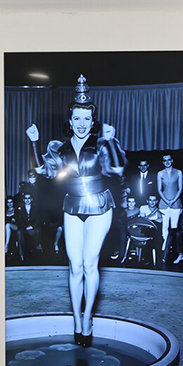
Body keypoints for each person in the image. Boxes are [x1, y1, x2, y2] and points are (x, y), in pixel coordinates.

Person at [26, 74, 125, 347]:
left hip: (100, 206)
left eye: (87, 118)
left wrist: (111, 141)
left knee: (90, 263)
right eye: (77, 118)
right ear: (70, 121)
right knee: (75, 266)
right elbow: (43, 171)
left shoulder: (102, 143)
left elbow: (117, 168)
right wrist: (34, 142)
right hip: (72, 206)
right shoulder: (59, 148)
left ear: (93, 122)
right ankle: (77, 320)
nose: (82, 123)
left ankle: (88, 316)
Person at [157, 153, 183, 262]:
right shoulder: (160, 173)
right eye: (165, 160)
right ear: (163, 162)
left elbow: (180, 189)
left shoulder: (178, 172)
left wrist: (173, 200)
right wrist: (167, 201)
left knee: (174, 228)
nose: (167, 162)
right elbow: (159, 189)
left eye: (169, 160)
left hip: (175, 203)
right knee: (164, 227)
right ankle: (165, 250)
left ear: (172, 161)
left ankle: (174, 251)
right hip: (164, 203)